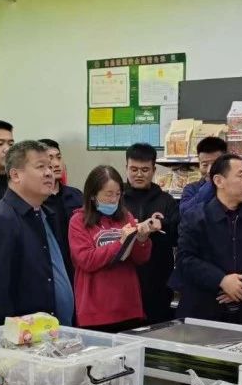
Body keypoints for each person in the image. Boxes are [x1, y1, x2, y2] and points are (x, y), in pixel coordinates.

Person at [0, 141, 75, 328]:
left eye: (50, 167)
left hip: (56, 332)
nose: (49, 173)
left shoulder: (47, 214)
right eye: (40, 167)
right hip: (25, 336)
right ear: (15, 175)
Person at [175, 154, 242, 326]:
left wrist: (241, 285)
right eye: (241, 175)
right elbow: (185, 260)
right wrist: (221, 281)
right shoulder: (195, 217)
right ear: (219, 181)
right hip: (203, 314)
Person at [69, 166, 156, 332]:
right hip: (95, 311)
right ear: (93, 194)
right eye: (108, 194)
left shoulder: (126, 216)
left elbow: (140, 259)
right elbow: (86, 260)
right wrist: (120, 242)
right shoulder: (78, 221)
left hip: (128, 306)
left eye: (117, 194)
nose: (113, 200)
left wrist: (142, 239)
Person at [123, 142, 180, 324]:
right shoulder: (117, 199)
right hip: (123, 283)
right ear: (126, 168)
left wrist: (162, 225)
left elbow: (178, 237)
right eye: (134, 169)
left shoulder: (167, 201)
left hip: (158, 283)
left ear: (154, 170)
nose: (139, 174)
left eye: (145, 170)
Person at [178, 136, 242, 217]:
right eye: (205, 165)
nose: (209, 170)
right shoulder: (191, 189)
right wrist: (210, 186)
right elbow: (185, 214)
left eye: (215, 164)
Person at [39, 137, 84, 227]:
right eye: (50, 158)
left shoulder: (76, 195)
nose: (56, 164)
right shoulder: (36, 200)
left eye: (59, 158)